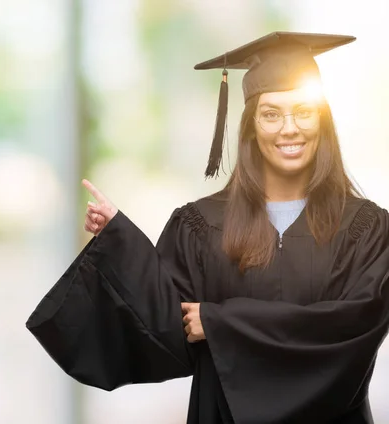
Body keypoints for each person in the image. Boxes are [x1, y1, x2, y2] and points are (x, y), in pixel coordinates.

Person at [25, 32, 389, 424]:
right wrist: (120, 242)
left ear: (322, 121)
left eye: (304, 111)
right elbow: (165, 326)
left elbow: (353, 326)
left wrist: (220, 323)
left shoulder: (365, 227)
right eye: (271, 114)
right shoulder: (200, 225)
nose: (289, 129)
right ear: (250, 125)